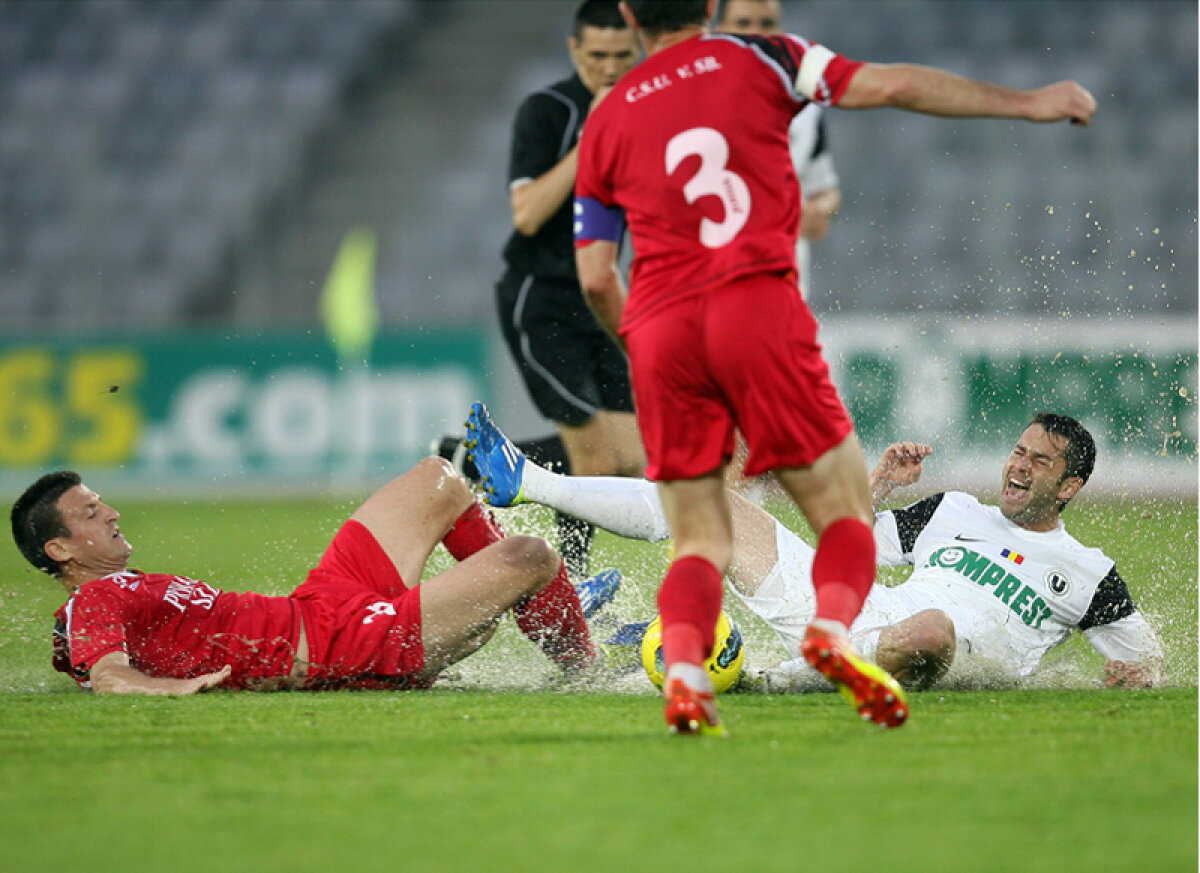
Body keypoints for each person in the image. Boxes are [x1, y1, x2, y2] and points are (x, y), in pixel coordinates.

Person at [570, 0, 1095, 733]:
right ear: (712, 6)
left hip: (663, 330)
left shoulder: (607, 114)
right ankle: (830, 632)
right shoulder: (764, 57)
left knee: (700, 532)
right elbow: (895, 85)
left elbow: (596, 277)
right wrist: (1025, 102)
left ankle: (685, 672)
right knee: (846, 509)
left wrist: (647, 350)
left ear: (629, 14)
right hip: (757, 309)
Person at [467, 409, 1164, 691]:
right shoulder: (953, 510)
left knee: (930, 629)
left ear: (1069, 486)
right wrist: (878, 486)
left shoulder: (1090, 573)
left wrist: (1136, 677)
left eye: (1040, 461)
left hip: (938, 652)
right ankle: (525, 480)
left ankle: (770, 682)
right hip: (862, 610)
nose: (1018, 465)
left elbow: (1146, 663)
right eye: (1018, 449)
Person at [10, 456, 600, 694]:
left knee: (438, 479)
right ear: (59, 549)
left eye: (102, 502)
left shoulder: (118, 588)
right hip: (335, 646)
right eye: (91, 513)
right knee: (529, 555)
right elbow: (109, 677)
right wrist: (175, 688)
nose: (112, 513)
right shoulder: (93, 601)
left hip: (320, 602)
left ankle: (544, 606)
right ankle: (585, 666)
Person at [492, 0, 647, 580]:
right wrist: (592, 141)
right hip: (542, 298)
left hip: (600, 298)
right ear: (574, 50)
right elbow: (527, 213)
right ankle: (575, 585)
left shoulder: (646, 112)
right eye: (597, 55)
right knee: (597, 459)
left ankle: (472, 459)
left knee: (630, 459)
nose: (609, 68)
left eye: (622, 56)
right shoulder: (548, 111)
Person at [714, 0, 841, 299]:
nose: (757, 34)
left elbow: (824, 189)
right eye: (743, 24)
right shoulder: (691, 102)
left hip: (784, 283)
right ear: (719, 31)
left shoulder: (804, 110)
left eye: (767, 24)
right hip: (712, 280)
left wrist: (820, 210)